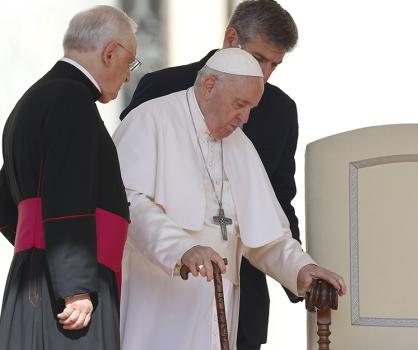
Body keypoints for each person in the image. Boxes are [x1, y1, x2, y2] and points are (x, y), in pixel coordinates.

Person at [114, 48, 346, 350]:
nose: (245, 119)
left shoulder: (239, 144)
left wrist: (301, 268)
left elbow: (266, 237)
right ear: (209, 86)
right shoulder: (151, 119)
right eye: (240, 105)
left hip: (217, 309)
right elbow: (130, 203)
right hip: (157, 308)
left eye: (251, 108)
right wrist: (181, 248)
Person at [120, 1, 301, 348]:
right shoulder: (160, 94)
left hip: (233, 301)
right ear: (231, 38)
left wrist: (300, 273)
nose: (264, 74)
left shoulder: (278, 111)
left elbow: (274, 210)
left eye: (274, 65)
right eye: (260, 58)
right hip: (159, 295)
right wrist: (180, 248)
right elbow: (128, 194)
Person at [0, 5, 138, 349]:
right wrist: (76, 287)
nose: (127, 76)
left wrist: (34, 251)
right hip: (66, 296)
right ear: (110, 53)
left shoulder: (34, 98)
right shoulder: (72, 99)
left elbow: (5, 200)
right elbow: (68, 191)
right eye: (130, 63)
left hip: (34, 280)